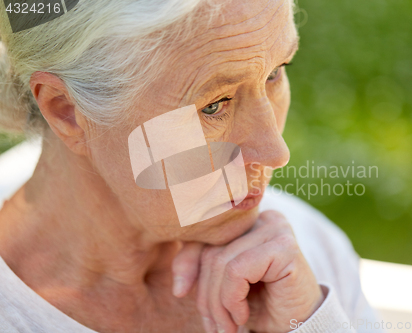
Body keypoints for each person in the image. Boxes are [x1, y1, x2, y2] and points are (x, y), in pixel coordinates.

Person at [0, 0, 381, 332]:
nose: (275, 152)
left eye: (274, 74)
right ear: (67, 112)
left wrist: (311, 324)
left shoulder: (305, 256)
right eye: (213, 105)